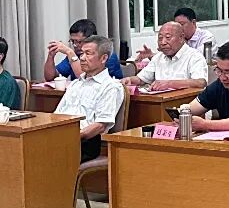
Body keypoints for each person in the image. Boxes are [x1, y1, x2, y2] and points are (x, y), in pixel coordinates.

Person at [53, 35, 125, 163]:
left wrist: (72, 137)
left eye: (88, 53)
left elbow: (100, 125)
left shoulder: (111, 87)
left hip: (85, 141)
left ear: (103, 58)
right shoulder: (75, 84)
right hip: (61, 135)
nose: (82, 58)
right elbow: (57, 115)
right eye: (81, 53)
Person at [122, 22, 208, 90]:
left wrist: (169, 84)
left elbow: (201, 82)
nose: (163, 42)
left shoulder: (194, 56)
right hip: (161, 103)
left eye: (168, 37)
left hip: (187, 104)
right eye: (160, 38)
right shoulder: (158, 57)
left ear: (181, 38)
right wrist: (130, 80)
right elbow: (141, 79)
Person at [43, 18, 123, 81]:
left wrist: (69, 52)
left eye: (79, 42)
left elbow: (86, 79)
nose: (75, 45)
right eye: (73, 41)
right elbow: (51, 78)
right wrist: (51, 56)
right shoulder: (76, 54)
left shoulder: (105, 55)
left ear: (91, 39)